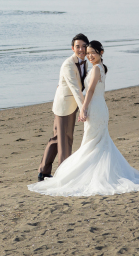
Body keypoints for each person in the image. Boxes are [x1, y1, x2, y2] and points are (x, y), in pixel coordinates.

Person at [28, 40, 139, 196]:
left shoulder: (97, 68)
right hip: (97, 107)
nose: (89, 55)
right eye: (88, 52)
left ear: (101, 53)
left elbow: (89, 91)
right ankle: (88, 172)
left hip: (95, 108)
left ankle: (79, 174)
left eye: (93, 52)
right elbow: (78, 85)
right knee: (97, 142)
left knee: (92, 142)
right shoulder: (98, 67)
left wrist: (83, 109)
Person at [36, 33, 89, 182]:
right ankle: (64, 175)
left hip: (69, 103)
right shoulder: (68, 64)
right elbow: (74, 88)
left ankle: (43, 172)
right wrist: (84, 109)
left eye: (84, 46)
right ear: (73, 48)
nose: (81, 49)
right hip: (65, 105)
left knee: (57, 138)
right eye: (78, 46)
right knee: (65, 139)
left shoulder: (84, 62)